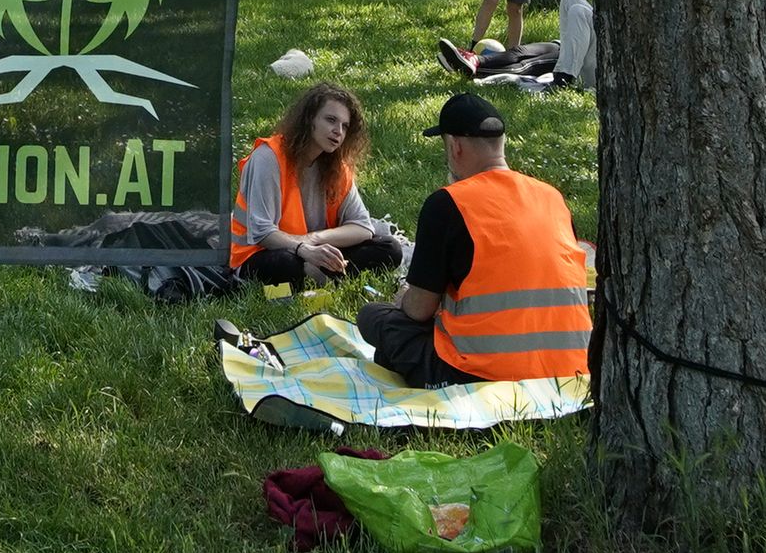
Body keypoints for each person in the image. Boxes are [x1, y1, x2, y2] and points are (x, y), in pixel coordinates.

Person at [361, 90, 595, 390]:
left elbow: (419, 309)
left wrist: (404, 297)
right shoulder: (552, 197)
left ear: (455, 147)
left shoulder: (448, 203)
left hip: (479, 373)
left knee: (374, 317)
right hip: (570, 367)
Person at [229, 83, 403, 288]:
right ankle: (321, 276)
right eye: (331, 120)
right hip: (261, 253)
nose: (338, 131)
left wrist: (314, 240)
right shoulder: (268, 158)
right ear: (309, 119)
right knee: (286, 264)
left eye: (344, 126)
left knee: (389, 248)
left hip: (312, 249)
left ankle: (316, 275)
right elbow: (263, 233)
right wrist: (303, 248)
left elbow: (363, 227)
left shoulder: (338, 167)